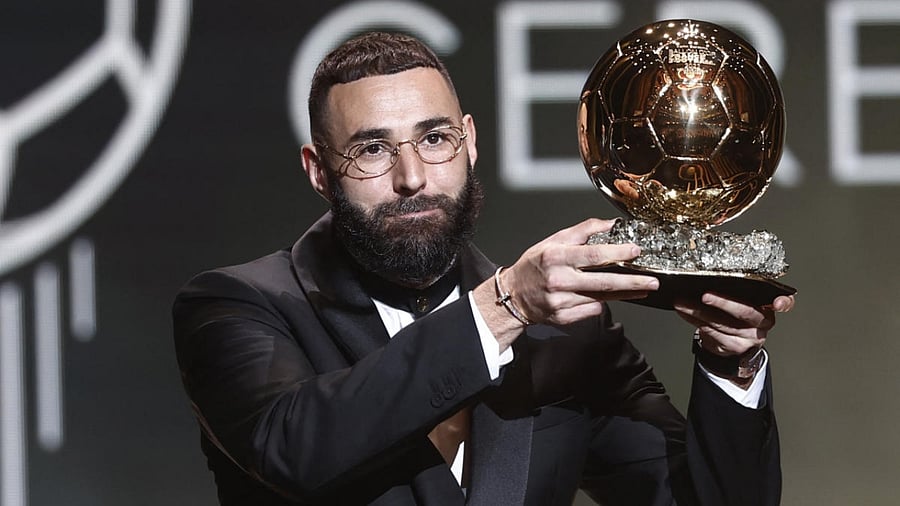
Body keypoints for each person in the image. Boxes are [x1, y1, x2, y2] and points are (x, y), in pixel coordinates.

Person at [173, 31, 794, 506]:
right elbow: (295, 448)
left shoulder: (569, 337)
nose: (412, 178)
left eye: (435, 138)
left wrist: (729, 362)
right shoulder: (237, 304)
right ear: (317, 169)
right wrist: (505, 308)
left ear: (469, 142)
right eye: (371, 149)